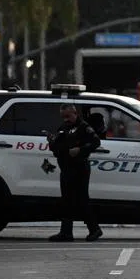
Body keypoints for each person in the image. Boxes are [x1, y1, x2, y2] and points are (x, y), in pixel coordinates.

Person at [47, 104, 103, 242]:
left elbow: (96, 142)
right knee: (66, 201)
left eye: (68, 116)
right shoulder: (62, 128)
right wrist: (51, 142)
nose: (66, 119)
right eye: (63, 117)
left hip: (79, 167)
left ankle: (94, 229)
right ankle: (66, 232)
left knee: (82, 199)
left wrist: (80, 149)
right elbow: (57, 148)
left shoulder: (84, 127)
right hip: (66, 168)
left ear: (75, 113)